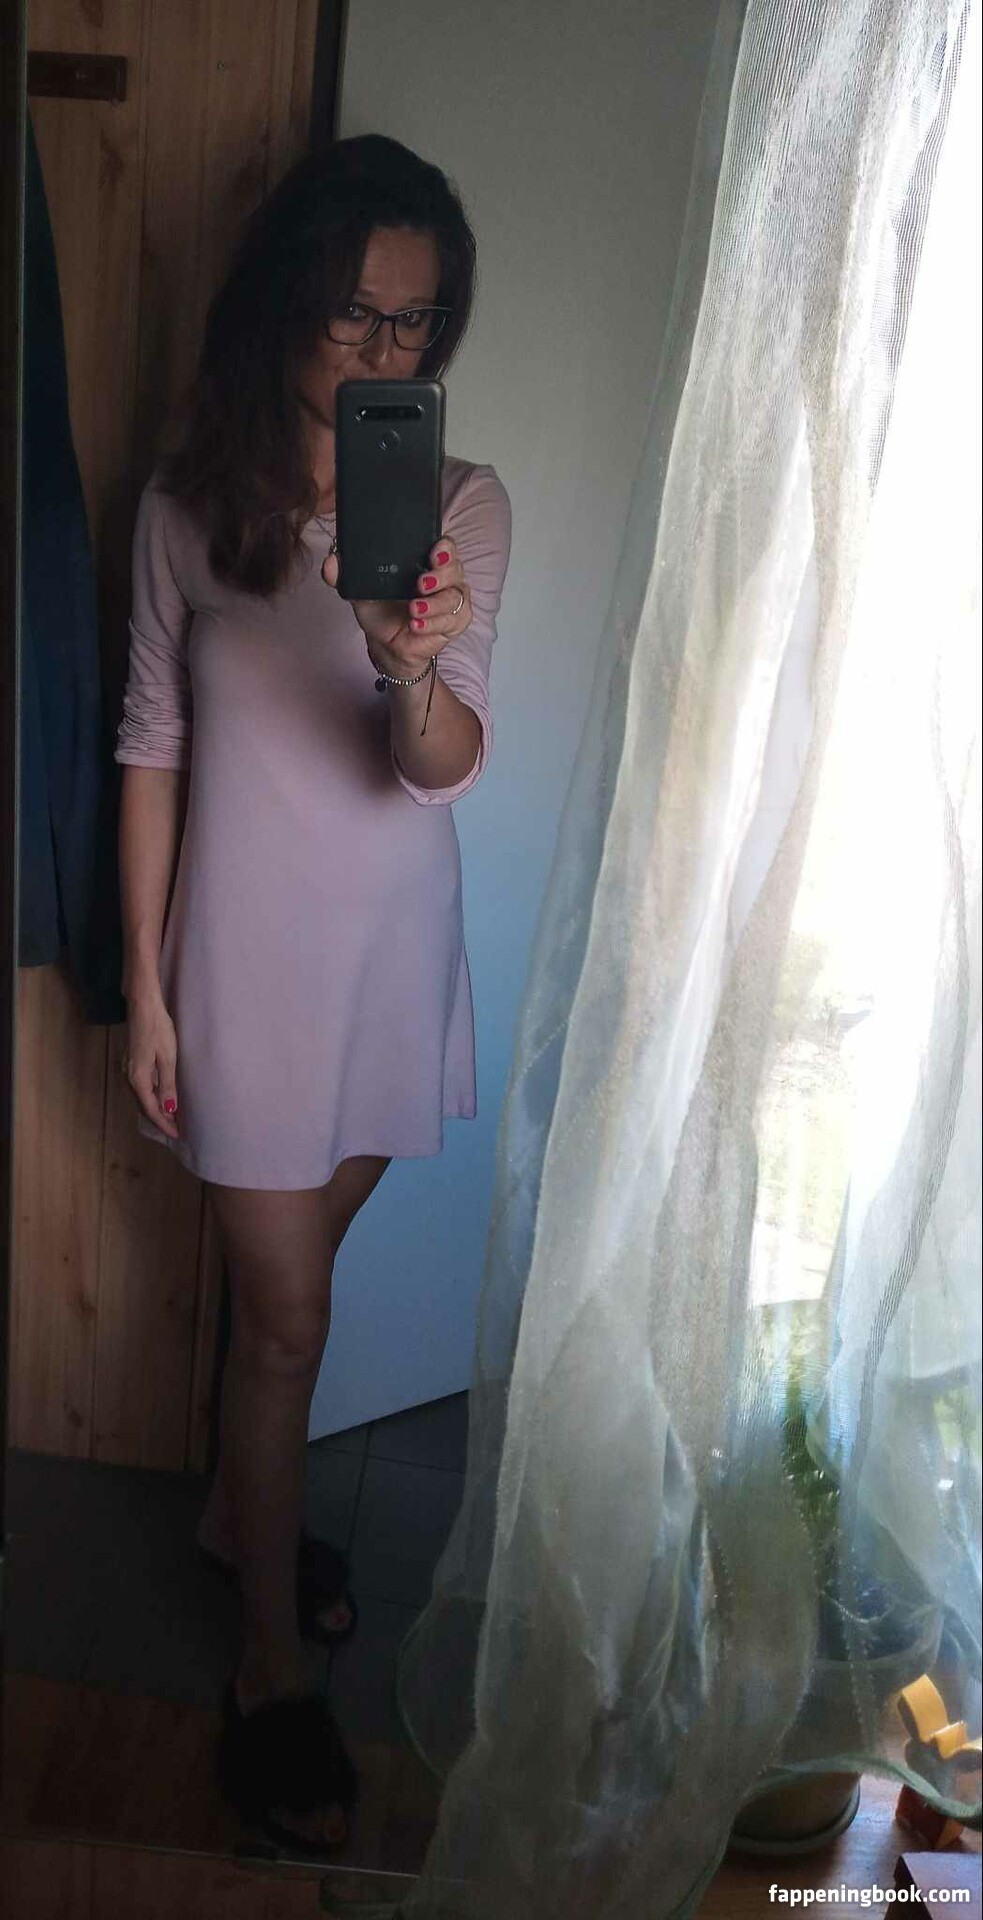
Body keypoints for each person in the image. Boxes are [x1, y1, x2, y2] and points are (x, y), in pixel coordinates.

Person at [114, 133, 511, 1851]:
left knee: (297, 1289)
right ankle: (270, 1670)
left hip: (388, 958)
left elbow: (440, 768)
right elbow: (150, 742)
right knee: (284, 1323)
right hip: (238, 966)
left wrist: (406, 660)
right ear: (288, 302)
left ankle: (235, 1518)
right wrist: (146, 988)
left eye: (414, 324)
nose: (383, 348)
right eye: (355, 312)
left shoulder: (459, 504)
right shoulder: (185, 507)